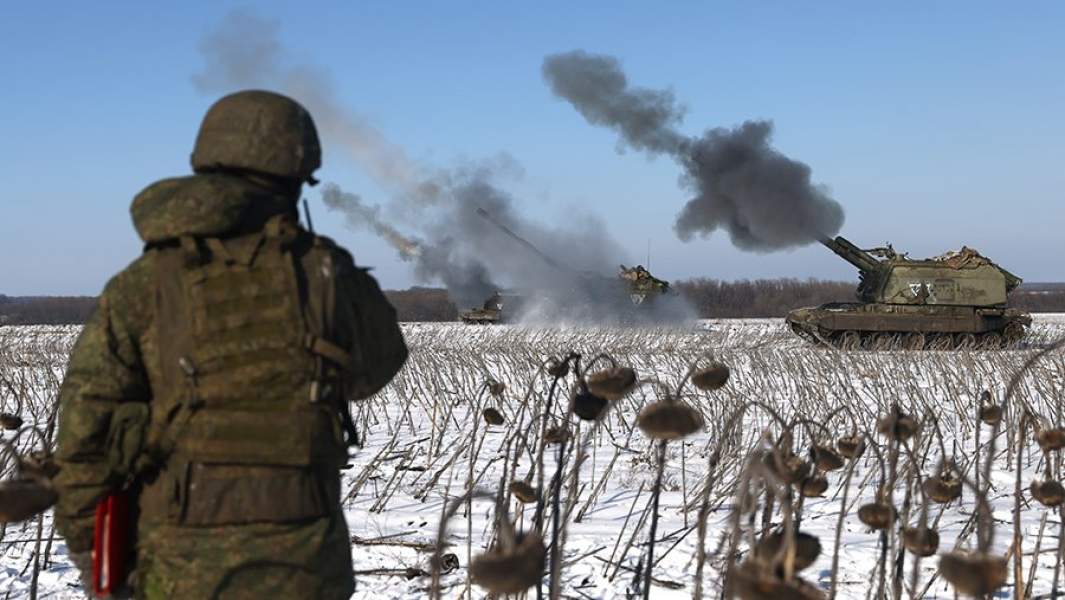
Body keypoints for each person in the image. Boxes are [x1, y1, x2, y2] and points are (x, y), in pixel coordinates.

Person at [53, 90, 408, 599]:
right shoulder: (328, 273)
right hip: (307, 568)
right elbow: (377, 368)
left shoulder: (144, 283)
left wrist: (94, 554)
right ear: (295, 172)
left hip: (179, 570)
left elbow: (86, 438)